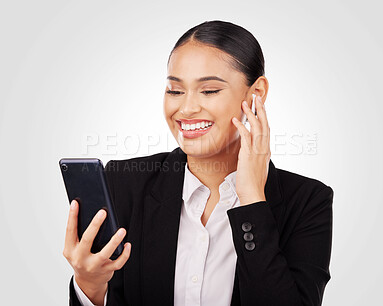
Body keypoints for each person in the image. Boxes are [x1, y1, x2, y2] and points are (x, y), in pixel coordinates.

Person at [63, 20, 334, 306]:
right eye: (175, 91)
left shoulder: (307, 201)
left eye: (209, 91)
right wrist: (89, 287)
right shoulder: (123, 185)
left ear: (256, 94)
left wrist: (253, 201)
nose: (187, 108)